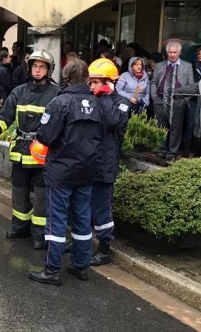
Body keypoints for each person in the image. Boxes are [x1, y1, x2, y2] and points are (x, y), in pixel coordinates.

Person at [27, 60, 118, 286]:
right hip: (88, 170)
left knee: (56, 221)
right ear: (88, 78)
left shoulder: (60, 103)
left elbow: (45, 137)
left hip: (61, 171)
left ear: (66, 77)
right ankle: (81, 265)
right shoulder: (98, 104)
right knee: (82, 219)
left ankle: (52, 269)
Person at [0, 50, 60, 250]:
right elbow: (5, 116)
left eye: (42, 67)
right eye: (35, 66)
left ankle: (39, 234)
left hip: (43, 155)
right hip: (20, 152)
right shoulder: (19, 91)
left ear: (49, 70)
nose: (37, 70)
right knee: (19, 193)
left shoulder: (56, 93)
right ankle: (20, 227)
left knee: (42, 198)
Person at [88, 58, 130, 266]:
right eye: (91, 82)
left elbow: (114, 121)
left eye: (96, 82)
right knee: (82, 206)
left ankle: (104, 250)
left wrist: (104, 95)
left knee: (101, 208)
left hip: (105, 164)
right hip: (87, 162)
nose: (92, 86)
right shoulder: (92, 99)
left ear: (108, 82)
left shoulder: (121, 103)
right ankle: (82, 242)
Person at [151, 42, 195, 160]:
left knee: (176, 127)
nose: (172, 55)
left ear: (179, 53)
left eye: (175, 52)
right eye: (170, 52)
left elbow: (191, 85)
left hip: (178, 100)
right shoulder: (160, 65)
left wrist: (185, 99)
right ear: (167, 53)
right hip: (160, 99)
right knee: (161, 126)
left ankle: (172, 151)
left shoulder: (187, 66)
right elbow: (154, 82)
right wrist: (154, 98)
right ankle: (161, 149)